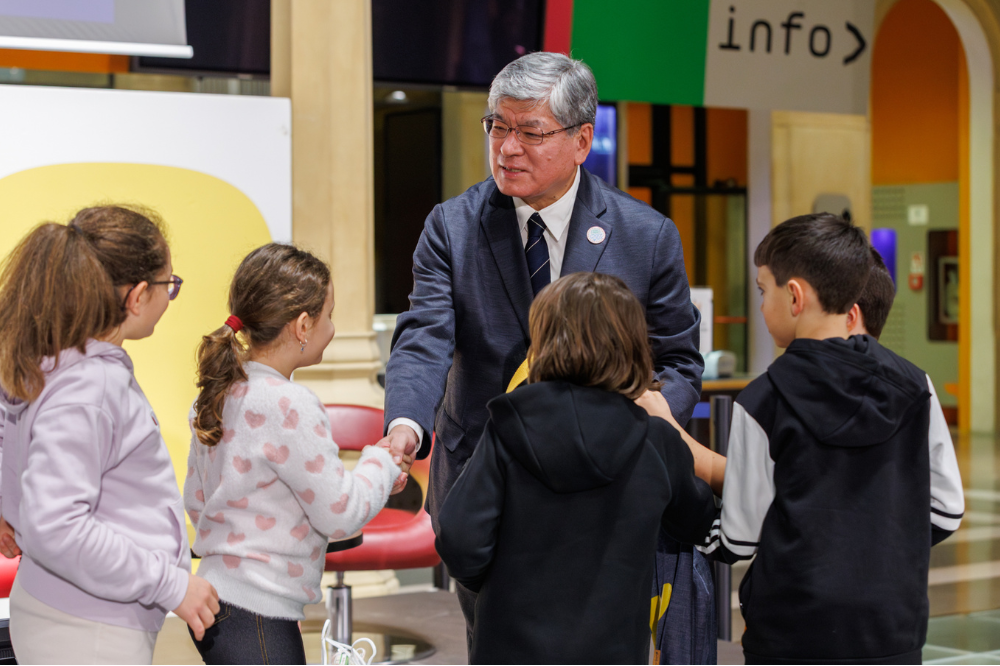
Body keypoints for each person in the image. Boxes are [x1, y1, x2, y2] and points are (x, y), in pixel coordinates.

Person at [380, 51, 706, 657]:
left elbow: (680, 362)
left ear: (581, 140)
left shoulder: (646, 235)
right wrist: (405, 425)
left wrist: (650, 419)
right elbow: (424, 337)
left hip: (609, 491)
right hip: (486, 480)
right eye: (497, 127)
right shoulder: (453, 226)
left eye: (530, 132)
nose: (507, 148)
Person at [697, 213, 965, 664]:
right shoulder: (916, 384)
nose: (760, 306)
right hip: (891, 628)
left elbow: (739, 539)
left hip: (792, 632)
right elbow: (946, 509)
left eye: (763, 291)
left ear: (795, 296)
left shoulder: (763, 398)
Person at [435, 272, 717, 664]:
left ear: (544, 343)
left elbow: (459, 540)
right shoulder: (656, 441)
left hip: (510, 646)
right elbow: (700, 522)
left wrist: (496, 588)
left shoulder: (508, 426)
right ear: (634, 344)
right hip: (615, 651)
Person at [0, 206, 219, 664]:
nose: (170, 296)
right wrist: (171, 585)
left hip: (72, 617)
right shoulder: (90, 386)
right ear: (137, 296)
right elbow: (56, 526)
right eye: (169, 284)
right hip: (87, 630)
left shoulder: (51, 362)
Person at [185, 243, 402, 665]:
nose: (332, 328)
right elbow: (340, 512)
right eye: (330, 315)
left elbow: (197, 504)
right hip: (257, 610)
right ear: (303, 325)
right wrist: (382, 463)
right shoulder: (289, 404)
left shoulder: (214, 395)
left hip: (219, 602)